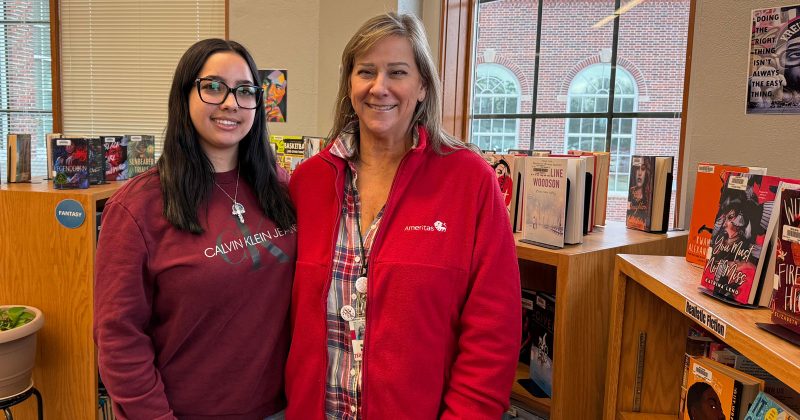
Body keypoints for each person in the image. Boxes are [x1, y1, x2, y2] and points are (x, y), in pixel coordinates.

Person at [285, 12, 520, 419]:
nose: (380, 87)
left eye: (397, 72)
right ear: (350, 85)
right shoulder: (307, 183)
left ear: (423, 86)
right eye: (366, 72)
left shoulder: (469, 181)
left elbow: (493, 333)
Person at [93, 38, 296, 420]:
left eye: (245, 91)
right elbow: (118, 338)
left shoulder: (280, 190)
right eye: (214, 87)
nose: (231, 102)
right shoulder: (138, 207)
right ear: (185, 95)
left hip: (282, 409)